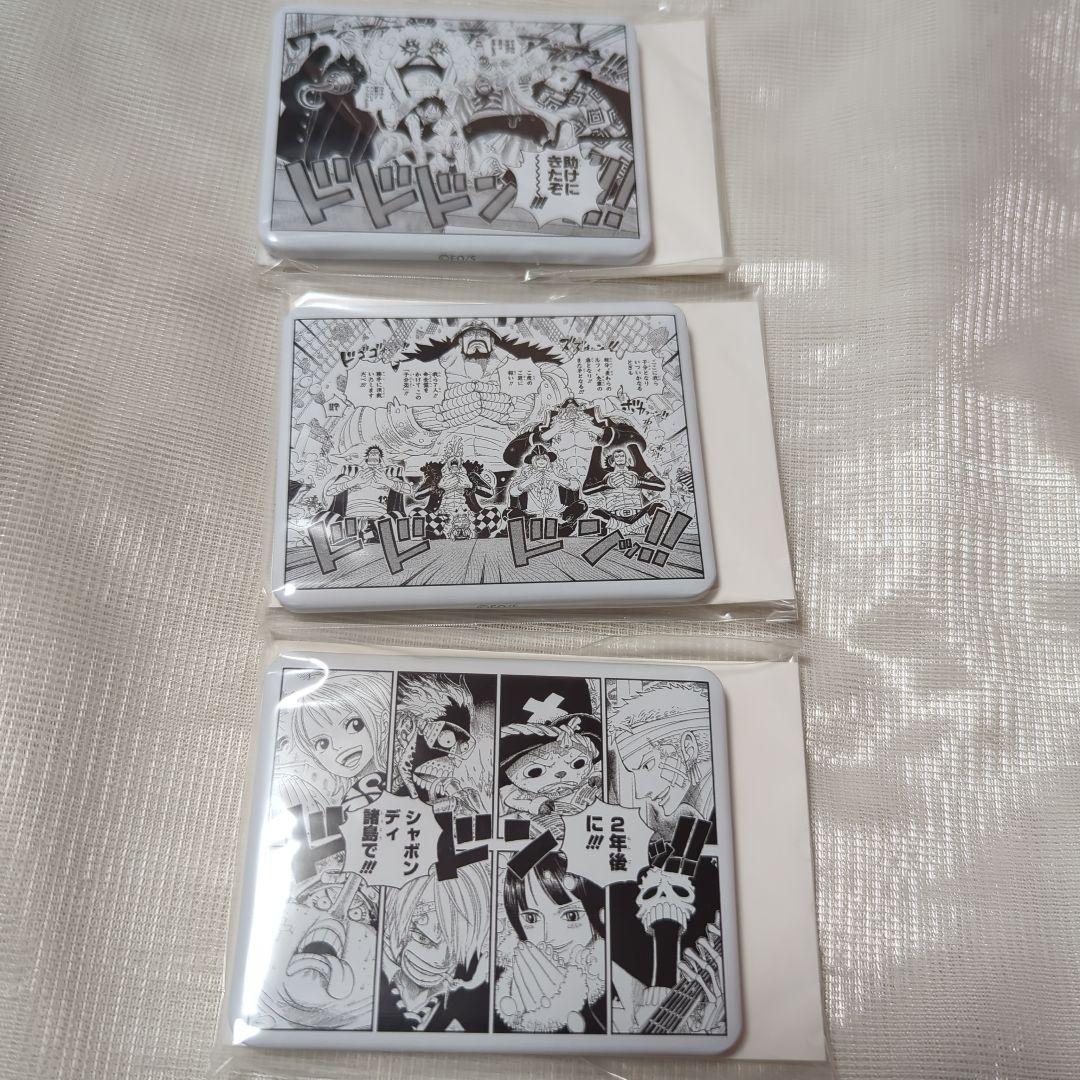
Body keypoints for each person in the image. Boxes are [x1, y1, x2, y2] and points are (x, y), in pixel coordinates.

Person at [495, 836, 606, 1033]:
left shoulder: (616, 976)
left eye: (571, 916)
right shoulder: (512, 987)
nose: (550, 938)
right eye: (531, 918)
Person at [378, 862, 490, 1032]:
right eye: (421, 937)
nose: (440, 959)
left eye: (454, 948)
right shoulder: (368, 971)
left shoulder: (469, 1003)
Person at [280, 671, 393, 814]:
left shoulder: (396, 778)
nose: (338, 746)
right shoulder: (347, 795)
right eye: (322, 743)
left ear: (384, 724)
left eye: (354, 725)